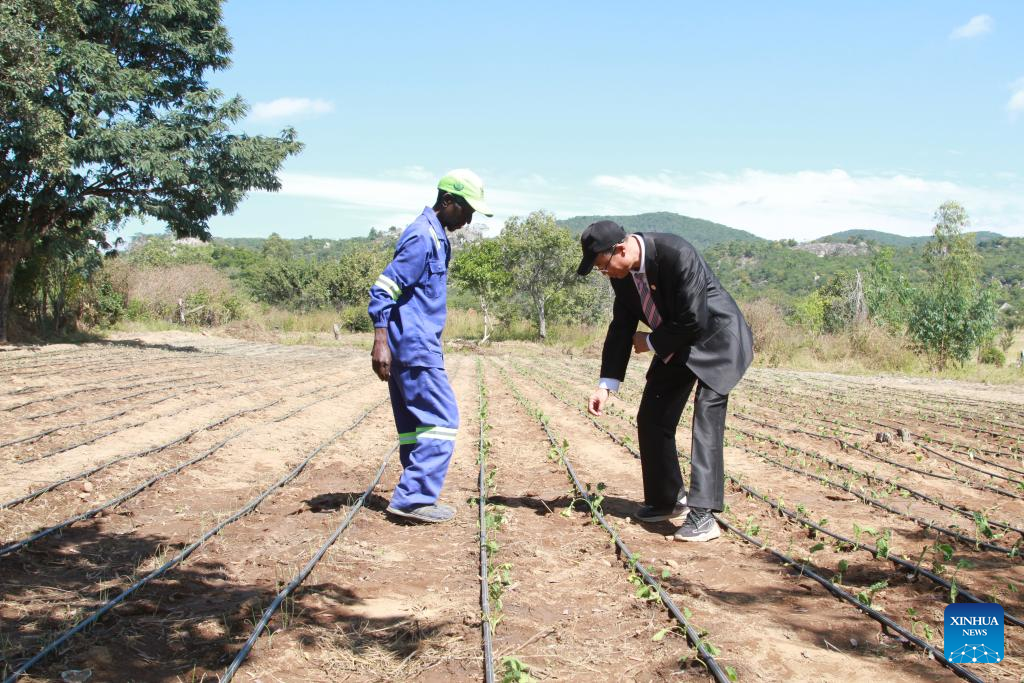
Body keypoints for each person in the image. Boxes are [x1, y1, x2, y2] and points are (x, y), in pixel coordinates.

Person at [578, 220, 753, 542]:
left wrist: (650, 342)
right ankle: (667, 499)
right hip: (678, 343)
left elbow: (693, 319)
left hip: (717, 340)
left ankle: (704, 516)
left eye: (603, 266)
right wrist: (606, 385)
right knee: (652, 416)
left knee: (706, 418)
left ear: (621, 249)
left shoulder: (676, 253)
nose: (605, 273)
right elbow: (621, 328)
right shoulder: (622, 277)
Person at [368, 169, 493, 523]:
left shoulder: (436, 236)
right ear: (447, 201)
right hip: (414, 344)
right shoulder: (422, 236)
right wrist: (380, 341)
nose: (469, 220)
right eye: (466, 210)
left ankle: (413, 495)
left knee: (415, 424)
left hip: (412, 343)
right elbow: (384, 289)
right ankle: (413, 499)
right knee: (442, 419)